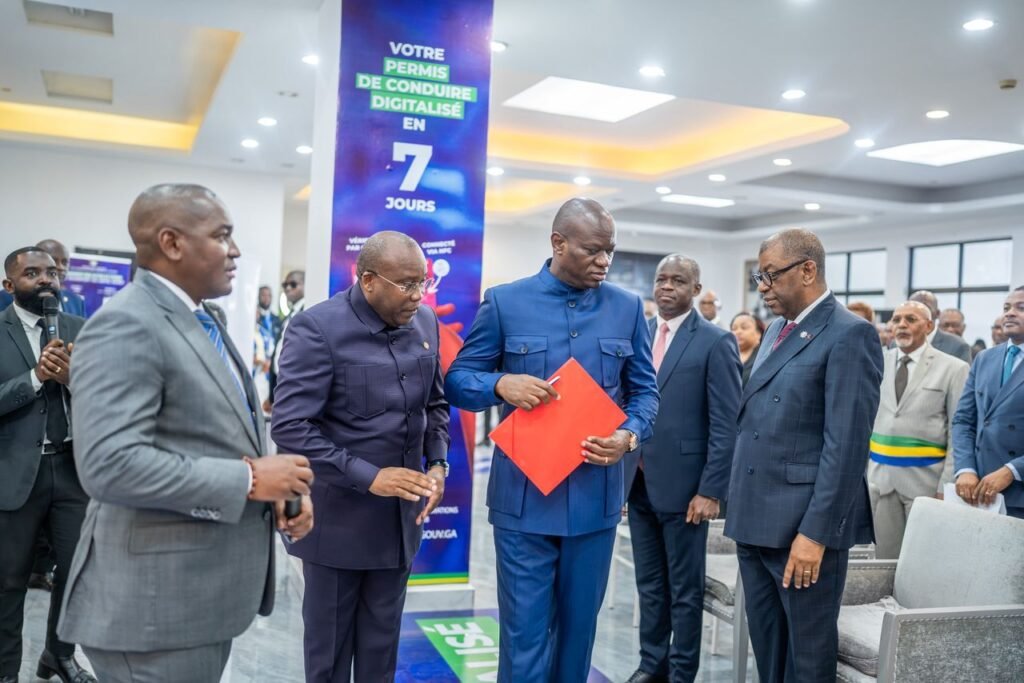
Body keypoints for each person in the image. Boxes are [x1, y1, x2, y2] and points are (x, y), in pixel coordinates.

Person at [59, 184, 314, 683]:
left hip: (196, 597)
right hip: (152, 612)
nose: (235, 251)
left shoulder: (201, 317)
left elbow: (214, 433)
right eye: (222, 236)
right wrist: (250, 480)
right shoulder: (127, 323)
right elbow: (110, 465)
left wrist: (277, 493)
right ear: (172, 243)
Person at [445, 198, 659, 682]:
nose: (604, 261)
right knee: (523, 637)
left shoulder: (626, 308)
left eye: (610, 251)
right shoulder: (506, 302)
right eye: (593, 250)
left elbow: (646, 392)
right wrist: (501, 384)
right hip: (523, 502)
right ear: (558, 243)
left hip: (595, 500)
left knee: (578, 637)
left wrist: (628, 435)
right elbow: (457, 380)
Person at [272, 231, 450, 682]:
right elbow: (291, 428)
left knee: (381, 654)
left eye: (423, 282)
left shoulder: (426, 322)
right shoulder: (317, 328)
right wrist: (370, 476)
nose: (418, 295)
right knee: (329, 659)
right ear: (368, 280)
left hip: (399, 527)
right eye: (406, 284)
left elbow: (435, 404)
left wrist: (438, 463)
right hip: (338, 528)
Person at [725, 229, 883, 683]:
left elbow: (845, 447)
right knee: (769, 653)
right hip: (755, 520)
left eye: (771, 275)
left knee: (807, 660)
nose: (763, 287)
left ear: (808, 270)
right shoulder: (777, 329)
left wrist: (815, 534)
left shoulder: (850, 334)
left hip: (802, 530)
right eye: (759, 277)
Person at [622, 255, 741, 683]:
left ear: (696, 289)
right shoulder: (638, 333)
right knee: (650, 584)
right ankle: (650, 664)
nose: (667, 287)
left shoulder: (715, 341)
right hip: (637, 481)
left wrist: (711, 489)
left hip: (687, 489)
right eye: (661, 279)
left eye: (678, 280)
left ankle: (681, 672)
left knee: (685, 590)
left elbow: (726, 423)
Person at [0, 248, 91, 683]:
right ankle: (5, 671)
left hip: (73, 472)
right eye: (32, 273)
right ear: (9, 285)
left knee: (76, 576)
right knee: (8, 582)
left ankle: (59, 656)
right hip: (15, 473)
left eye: (51, 273)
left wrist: (75, 379)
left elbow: (108, 394)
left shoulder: (80, 329)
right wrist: (36, 377)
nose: (45, 280)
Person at [867, 301, 968, 559]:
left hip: (926, 483)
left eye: (911, 319)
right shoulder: (876, 361)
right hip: (880, 480)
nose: (901, 325)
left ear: (929, 326)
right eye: (896, 319)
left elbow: (958, 429)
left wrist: (946, 485)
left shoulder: (953, 368)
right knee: (883, 561)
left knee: (924, 561)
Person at [952, 286, 1024, 520]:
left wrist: (1012, 471)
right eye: (1006, 307)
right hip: (978, 490)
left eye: (1021, 307)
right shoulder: (985, 358)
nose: (1010, 313)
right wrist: (966, 469)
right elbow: (963, 420)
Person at [268, 270, 305, 409]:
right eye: (285, 285)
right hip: (281, 385)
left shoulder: (309, 312)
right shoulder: (289, 315)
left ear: (305, 285)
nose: (288, 288)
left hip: (296, 389)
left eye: (293, 284)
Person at [908, 291, 971, 363]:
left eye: (926, 309)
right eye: (912, 309)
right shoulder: (900, 342)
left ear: (937, 314)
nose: (918, 313)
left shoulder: (958, 345)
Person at [35, 239, 87, 318]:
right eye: (53, 261)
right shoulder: (20, 297)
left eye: (64, 262)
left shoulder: (76, 301)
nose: (61, 267)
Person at [730, 311, 765, 386]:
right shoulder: (725, 356)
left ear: (759, 333)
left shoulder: (765, 357)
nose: (738, 332)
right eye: (734, 329)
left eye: (744, 327)